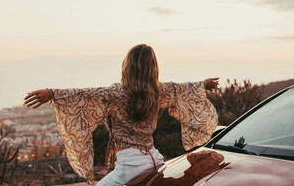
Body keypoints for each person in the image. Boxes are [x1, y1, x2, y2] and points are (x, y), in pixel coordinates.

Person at [24, 44, 219, 185]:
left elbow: (84, 94)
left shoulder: (116, 93)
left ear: (127, 66)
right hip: (155, 159)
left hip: (130, 165)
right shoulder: (158, 90)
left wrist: (52, 93)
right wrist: (204, 85)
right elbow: (183, 88)